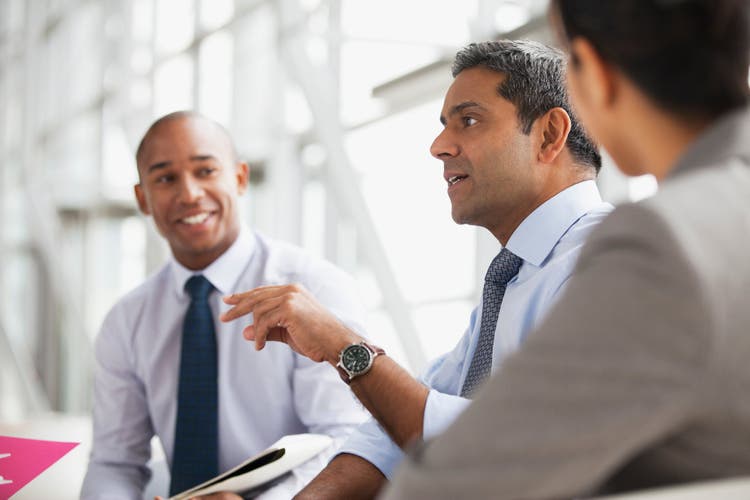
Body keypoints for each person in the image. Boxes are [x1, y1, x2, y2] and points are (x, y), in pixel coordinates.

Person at [382, 1, 750, 499]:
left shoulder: (661, 245)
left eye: (468, 121)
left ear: (594, 74)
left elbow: (457, 482)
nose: (439, 147)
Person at [220, 40, 611, 498]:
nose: (439, 146)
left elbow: (502, 447)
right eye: (444, 126)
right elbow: (395, 436)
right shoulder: (512, 277)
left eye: (468, 120)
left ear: (548, 135)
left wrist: (341, 344)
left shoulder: (605, 265)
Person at [80, 111, 372, 499]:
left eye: (205, 171)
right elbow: (115, 463)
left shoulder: (314, 287)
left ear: (239, 178)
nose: (189, 194)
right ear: (142, 199)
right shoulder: (127, 320)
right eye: (166, 178)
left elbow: (344, 439)